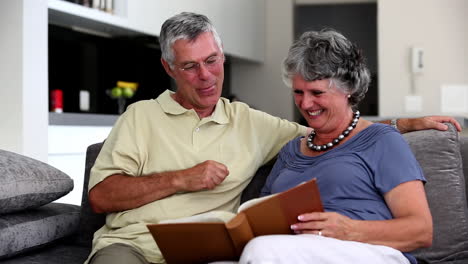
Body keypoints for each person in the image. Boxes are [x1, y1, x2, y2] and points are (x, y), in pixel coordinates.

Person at [85, 12, 461, 264]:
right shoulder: (141, 116)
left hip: (332, 249)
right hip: (138, 245)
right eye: (190, 66)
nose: (205, 75)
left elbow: (344, 132)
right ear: (169, 67)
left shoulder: (256, 123)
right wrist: (182, 179)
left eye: (212, 60)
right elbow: (100, 196)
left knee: (262, 249)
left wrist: (406, 124)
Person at [237, 29, 432, 264]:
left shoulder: (382, 140)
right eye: (298, 92)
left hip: (366, 251)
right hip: (293, 250)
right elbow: (259, 220)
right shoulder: (290, 151)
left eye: (316, 92)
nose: (306, 104)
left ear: (348, 89)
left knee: (263, 251)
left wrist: (349, 230)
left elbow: (421, 230)